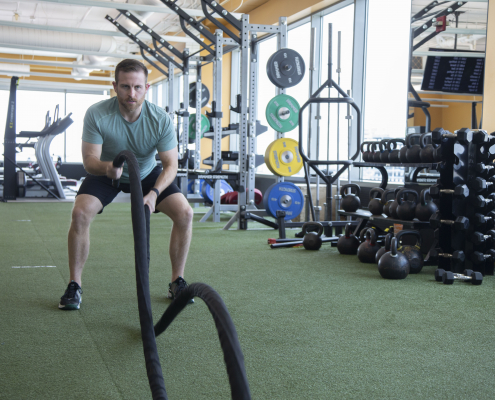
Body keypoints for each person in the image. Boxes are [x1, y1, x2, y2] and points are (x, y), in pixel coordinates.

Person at [59, 59, 194, 310]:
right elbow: (89, 161)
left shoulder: (160, 119)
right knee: (79, 213)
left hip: (146, 173)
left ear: (146, 88)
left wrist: (154, 193)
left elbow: (170, 165)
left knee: (185, 213)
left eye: (137, 87)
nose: (131, 94)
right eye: (125, 87)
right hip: (106, 170)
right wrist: (108, 167)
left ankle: (177, 281)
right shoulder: (98, 113)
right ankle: (74, 285)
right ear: (115, 86)